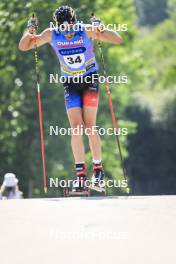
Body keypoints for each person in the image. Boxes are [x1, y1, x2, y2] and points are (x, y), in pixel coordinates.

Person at [18, 6, 123, 192]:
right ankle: (81, 176)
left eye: (70, 25)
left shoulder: (85, 29)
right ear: (57, 24)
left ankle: (98, 172)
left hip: (89, 79)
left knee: (90, 125)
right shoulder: (51, 33)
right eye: (62, 26)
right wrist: (30, 31)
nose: (67, 30)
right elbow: (24, 46)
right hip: (70, 83)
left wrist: (101, 28)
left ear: (75, 21)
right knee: (76, 128)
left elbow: (117, 39)